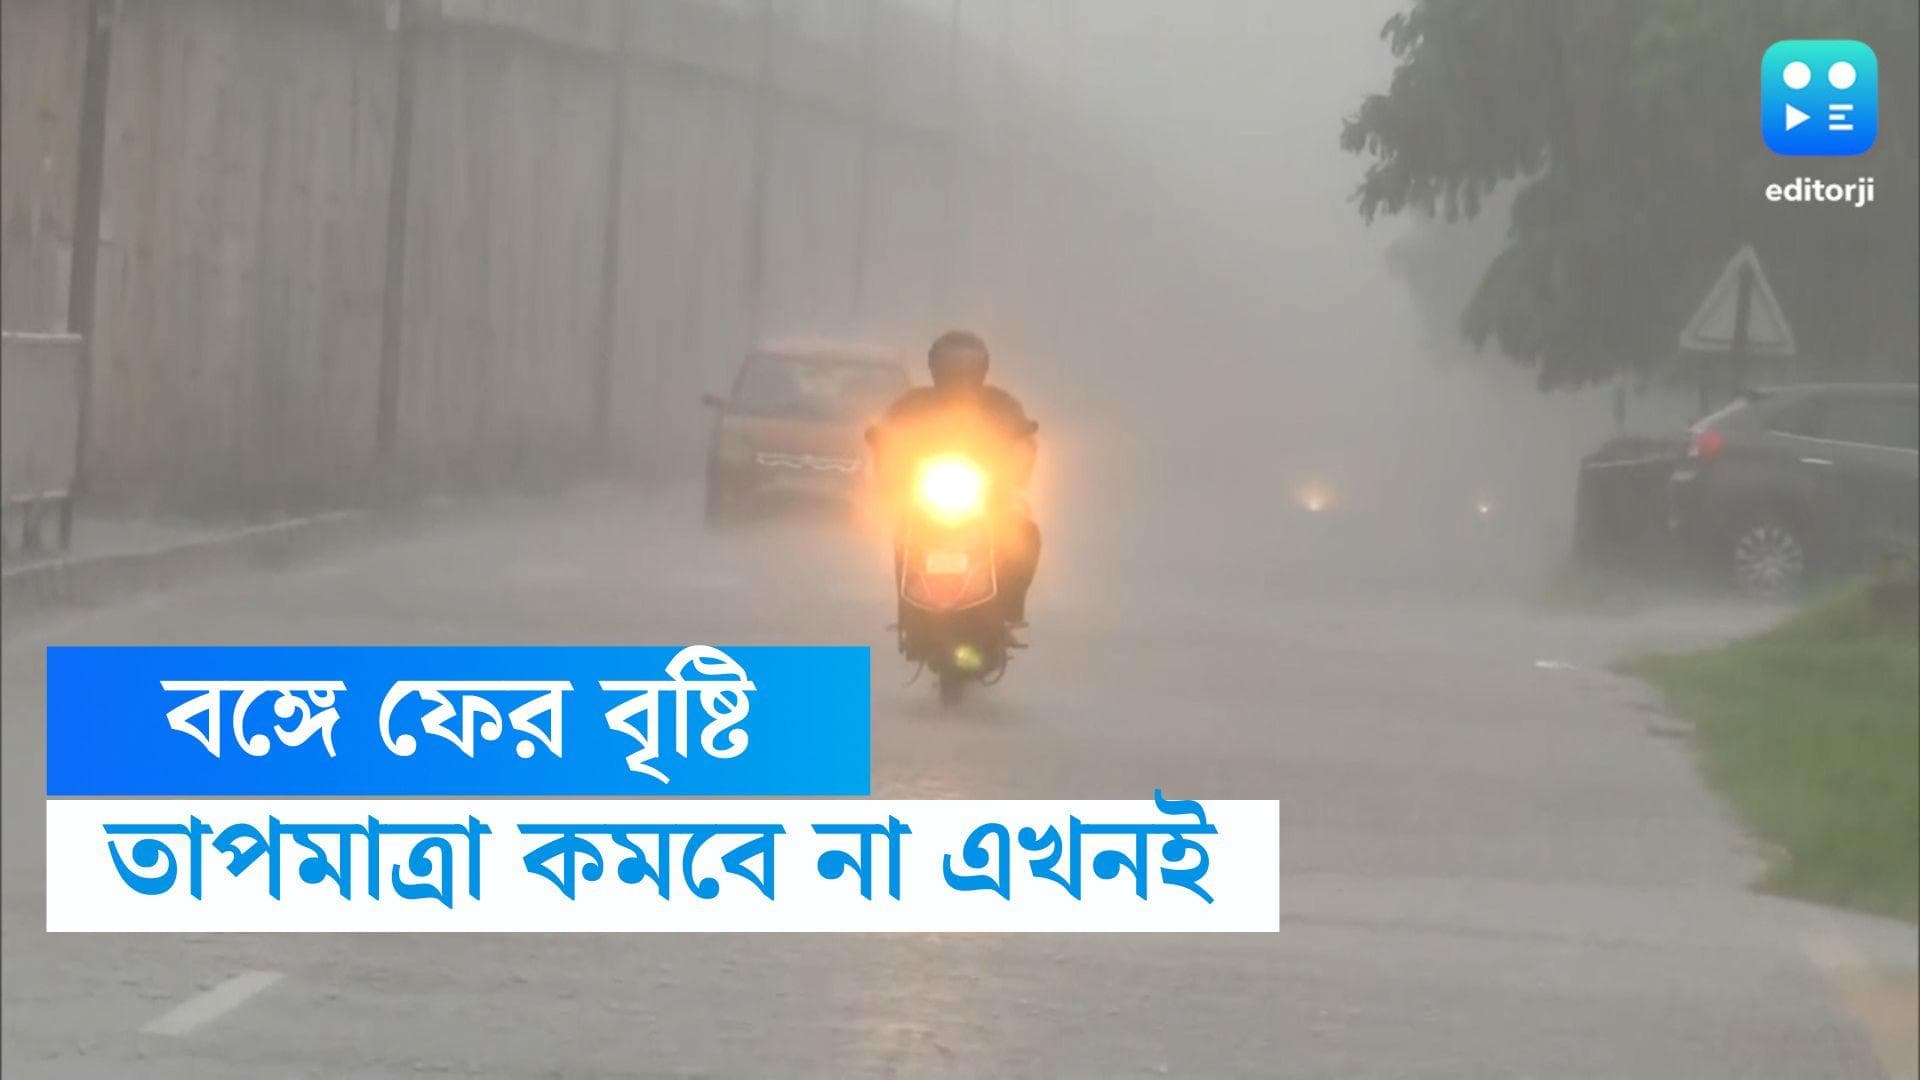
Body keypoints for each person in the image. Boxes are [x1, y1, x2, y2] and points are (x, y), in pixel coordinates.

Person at [873, 330, 1041, 626]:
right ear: (935, 367)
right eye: (951, 366)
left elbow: (1023, 443)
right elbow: (887, 436)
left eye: (966, 366)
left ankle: (1011, 607)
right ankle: (908, 611)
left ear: (982, 368)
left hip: (990, 498)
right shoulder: (914, 403)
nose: (959, 374)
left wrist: (1015, 465)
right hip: (925, 497)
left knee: (1025, 535)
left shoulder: (1001, 404)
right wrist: (884, 447)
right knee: (904, 535)